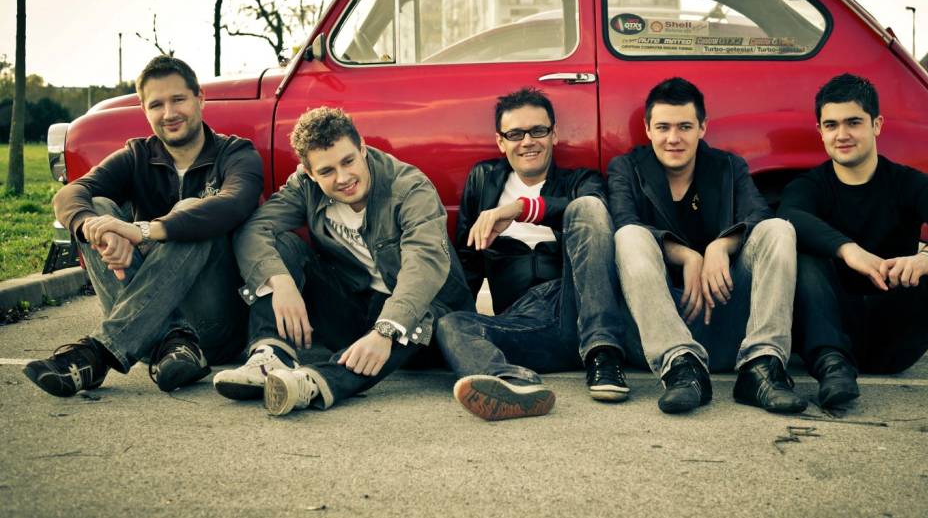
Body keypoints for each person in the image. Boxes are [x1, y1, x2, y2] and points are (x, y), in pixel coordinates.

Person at [778, 73, 928, 408]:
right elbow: (790, 215)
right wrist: (849, 250)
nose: (842, 134)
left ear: (876, 125)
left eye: (853, 122)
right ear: (820, 131)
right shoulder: (810, 186)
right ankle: (832, 365)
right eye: (831, 125)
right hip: (831, 338)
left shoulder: (906, 182)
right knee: (801, 250)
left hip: (896, 336)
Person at [23, 55, 263, 396]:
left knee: (193, 210)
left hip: (216, 327)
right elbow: (69, 194)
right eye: (157, 105)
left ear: (200, 98)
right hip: (154, 340)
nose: (169, 113)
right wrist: (96, 227)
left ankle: (100, 353)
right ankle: (172, 340)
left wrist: (144, 232)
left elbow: (234, 203)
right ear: (144, 110)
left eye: (178, 99)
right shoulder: (138, 156)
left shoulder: (235, 154)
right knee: (98, 210)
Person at [213, 106, 473, 416]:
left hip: (425, 322)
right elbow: (255, 229)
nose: (343, 178)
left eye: (348, 161)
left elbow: (424, 265)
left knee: (419, 313)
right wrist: (280, 282)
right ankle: (271, 355)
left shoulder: (408, 187)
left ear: (362, 148)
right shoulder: (305, 187)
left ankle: (313, 382)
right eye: (327, 171)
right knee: (282, 247)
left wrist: (385, 331)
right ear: (310, 173)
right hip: (357, 309)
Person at [609, 77, 807, 415]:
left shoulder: (728, 167)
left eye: (685, 127)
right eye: (663, 127)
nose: (673, 138)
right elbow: (623, 219)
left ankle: (762, 366)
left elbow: (758, 214)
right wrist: (686, 256)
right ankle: (681, 366)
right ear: (648, 129)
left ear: (702, 127)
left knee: (778, 229)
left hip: (727, 318)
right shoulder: (627, 168)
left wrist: (721, 246)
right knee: (628, 235)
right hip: (657, 328)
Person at [436, 88, 632, 421]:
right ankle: (510, 386)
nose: (528, 141)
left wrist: (518, 209)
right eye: (515, 134)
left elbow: (595, 216)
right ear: (501, 142)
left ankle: (604, 356)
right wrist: (458, 336)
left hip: (575, 308)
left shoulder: (580, 180)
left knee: (588, 208)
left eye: (538, 131)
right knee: (450, 324)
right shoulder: (483, 180)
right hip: (523, 324)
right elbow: (469, 263)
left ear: (554, 134)